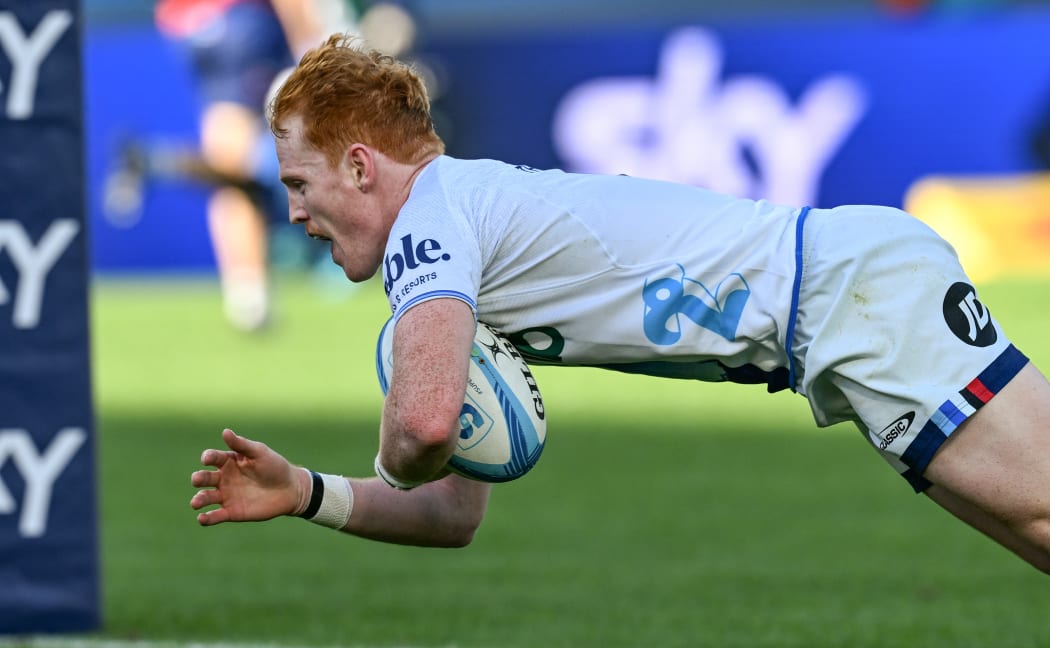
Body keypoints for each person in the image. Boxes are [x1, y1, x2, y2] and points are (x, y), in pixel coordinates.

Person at [189, 33, 1050, 572]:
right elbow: (453, 515)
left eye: (299, 182)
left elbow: (423, 431)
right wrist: (305, 492)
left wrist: (399, 443)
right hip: (850, 302)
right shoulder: (460, 232)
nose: (293, 212)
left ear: (361, 167)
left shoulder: (431, 226)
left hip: (850, 303)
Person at [151, 0, 334, 331]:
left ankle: (247, 287)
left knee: (231, 158)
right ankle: (158, 162)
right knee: (236, 164)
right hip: (240, 22)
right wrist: (310, 43)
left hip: (193, 27)